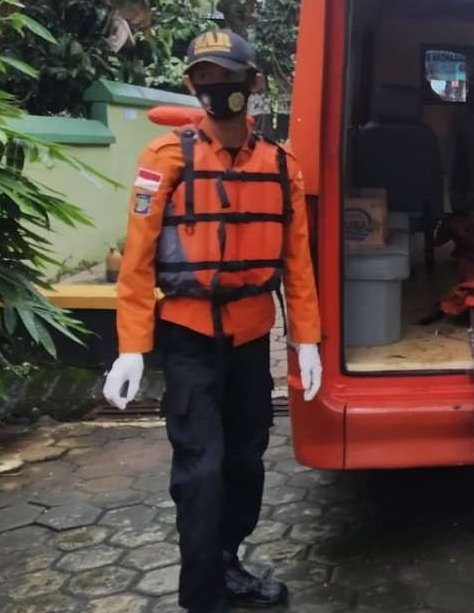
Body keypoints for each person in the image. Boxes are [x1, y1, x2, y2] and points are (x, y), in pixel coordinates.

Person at [102, 30, 323, 613]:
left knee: (246, 463)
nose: (216, 88)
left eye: (228, 76)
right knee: (201, 470)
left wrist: (307, 340)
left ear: (254, 85)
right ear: (191, 85)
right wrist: (131, 347)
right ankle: (202, 597)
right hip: (189, 339)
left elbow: (298, 262)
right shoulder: (166, 158)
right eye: (205, 77)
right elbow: (138, 260)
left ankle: (227, 562)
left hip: (252, 337)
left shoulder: (281, 166)